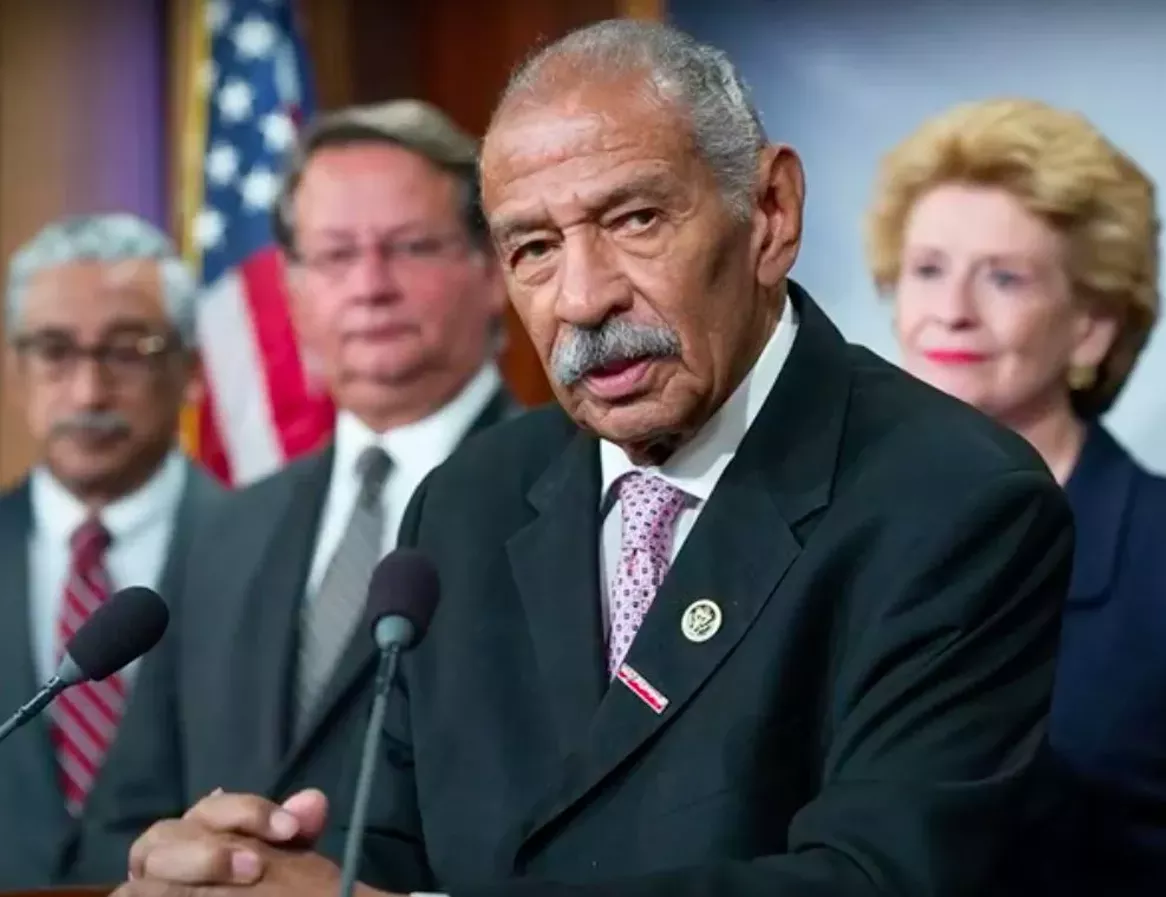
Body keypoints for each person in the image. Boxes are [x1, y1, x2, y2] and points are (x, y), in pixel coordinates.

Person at [116, 22, 1073, 897]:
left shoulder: (955, 499)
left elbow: (876, 878)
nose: (582, 297)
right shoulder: (468, 502)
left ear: (770, 213)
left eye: (634, 220)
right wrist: (259, 873)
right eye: (532, 246)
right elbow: (399, 849)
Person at [77, 100, 520, 880]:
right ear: (291, 289)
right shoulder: (225, 526)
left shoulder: (576, 499)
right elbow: (125, 819)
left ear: (493, 271)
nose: (371, 286)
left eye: (410, 247)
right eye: (335, 254)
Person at [864, 97, 1166, 895]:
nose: (950, 310)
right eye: (927, 270)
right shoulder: (853, 535)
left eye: (1005, 277)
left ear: (1091, 323)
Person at [0, 213, 224, 888]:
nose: (89, 391)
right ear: (15, 366)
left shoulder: (271, 548)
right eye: (54, 349)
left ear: (189, 368)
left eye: (127, 350)